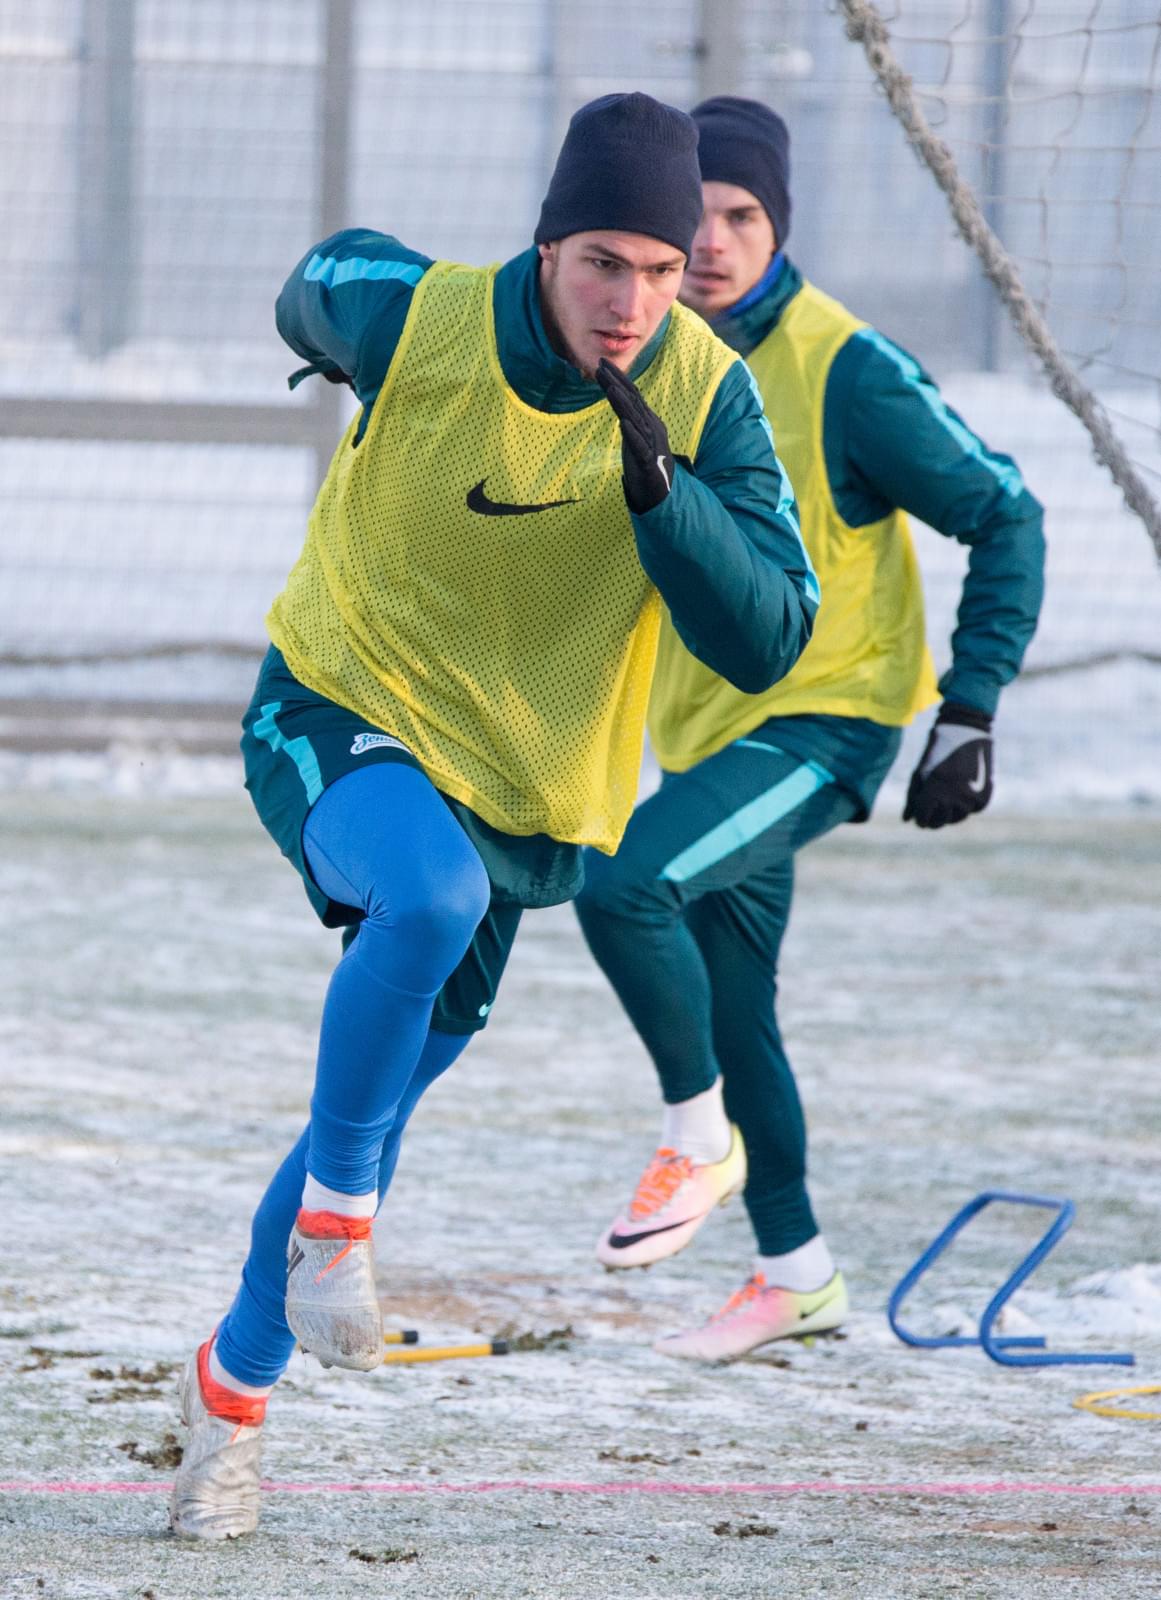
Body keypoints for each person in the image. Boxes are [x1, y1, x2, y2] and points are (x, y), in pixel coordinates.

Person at [169, 91, 819, 1539]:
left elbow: (773, 635)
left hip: (524, 797)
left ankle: (229, 1394)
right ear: (545, 247)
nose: (636, 297)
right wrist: (329, 333)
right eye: (605, 260)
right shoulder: (431, 314)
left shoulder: (709, 394)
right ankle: (343, 1225)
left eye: (662, 269)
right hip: (340, 703)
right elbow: (317, 279)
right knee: (425, 909)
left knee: (378, 1102)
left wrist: (670, 504)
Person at [575, 96, 1046, 1363]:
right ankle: (798, 1274)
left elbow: (1007, 512)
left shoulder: (845, 363)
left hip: (825, 725)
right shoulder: (644, 345)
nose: (717, 241)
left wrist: (970, 704)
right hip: (707, 738)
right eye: (698, 217)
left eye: (746, 215)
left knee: (624, 886)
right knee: (736, 1009)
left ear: (780, 224)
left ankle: (698, 1141)